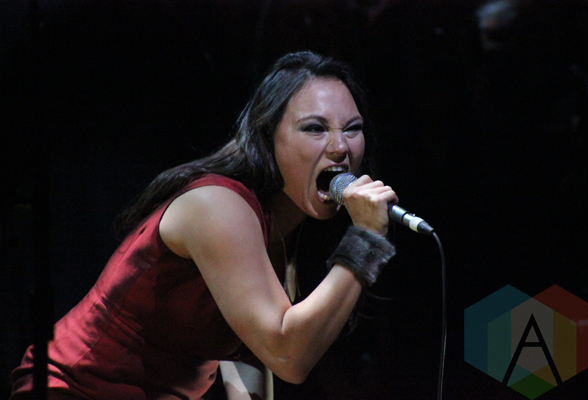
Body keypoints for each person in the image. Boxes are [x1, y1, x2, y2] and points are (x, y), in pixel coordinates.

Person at [10, 50, 398, 400]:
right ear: (267, 137)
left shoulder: (292, 228)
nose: (340, 147)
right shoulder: (218, 205)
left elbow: (251, 353)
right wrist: (365, 240)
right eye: (315, 128)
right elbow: (288, 356)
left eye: (352, 128)